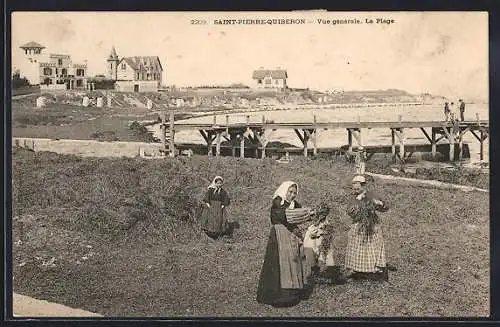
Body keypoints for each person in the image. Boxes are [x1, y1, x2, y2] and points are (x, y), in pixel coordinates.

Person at [256, 181, 317, 307]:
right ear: (284, 190)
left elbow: (299, 215)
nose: (293, 195)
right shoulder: (278, 202)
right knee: (281, 263)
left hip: (291, 236)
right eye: (290, 192)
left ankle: (292, 293)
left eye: (295, 193)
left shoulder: (294, 204)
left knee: (293, 262)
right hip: (279, 236)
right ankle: (279, 296)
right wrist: (306, 213)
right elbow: (286, 216)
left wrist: (312, 214)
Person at [344, 175, 390, 281]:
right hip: (359, 224)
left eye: (358, 188)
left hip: (371, 224)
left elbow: (384, 207)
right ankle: (356, 270)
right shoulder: (353, 198)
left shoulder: (371, 195)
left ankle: (374, 270)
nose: (356, 190)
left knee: (372, 246)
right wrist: (357, 201)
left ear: (364, 186)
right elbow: (350, 212)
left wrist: (380, 204)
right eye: (354, 189)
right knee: (356, 245)